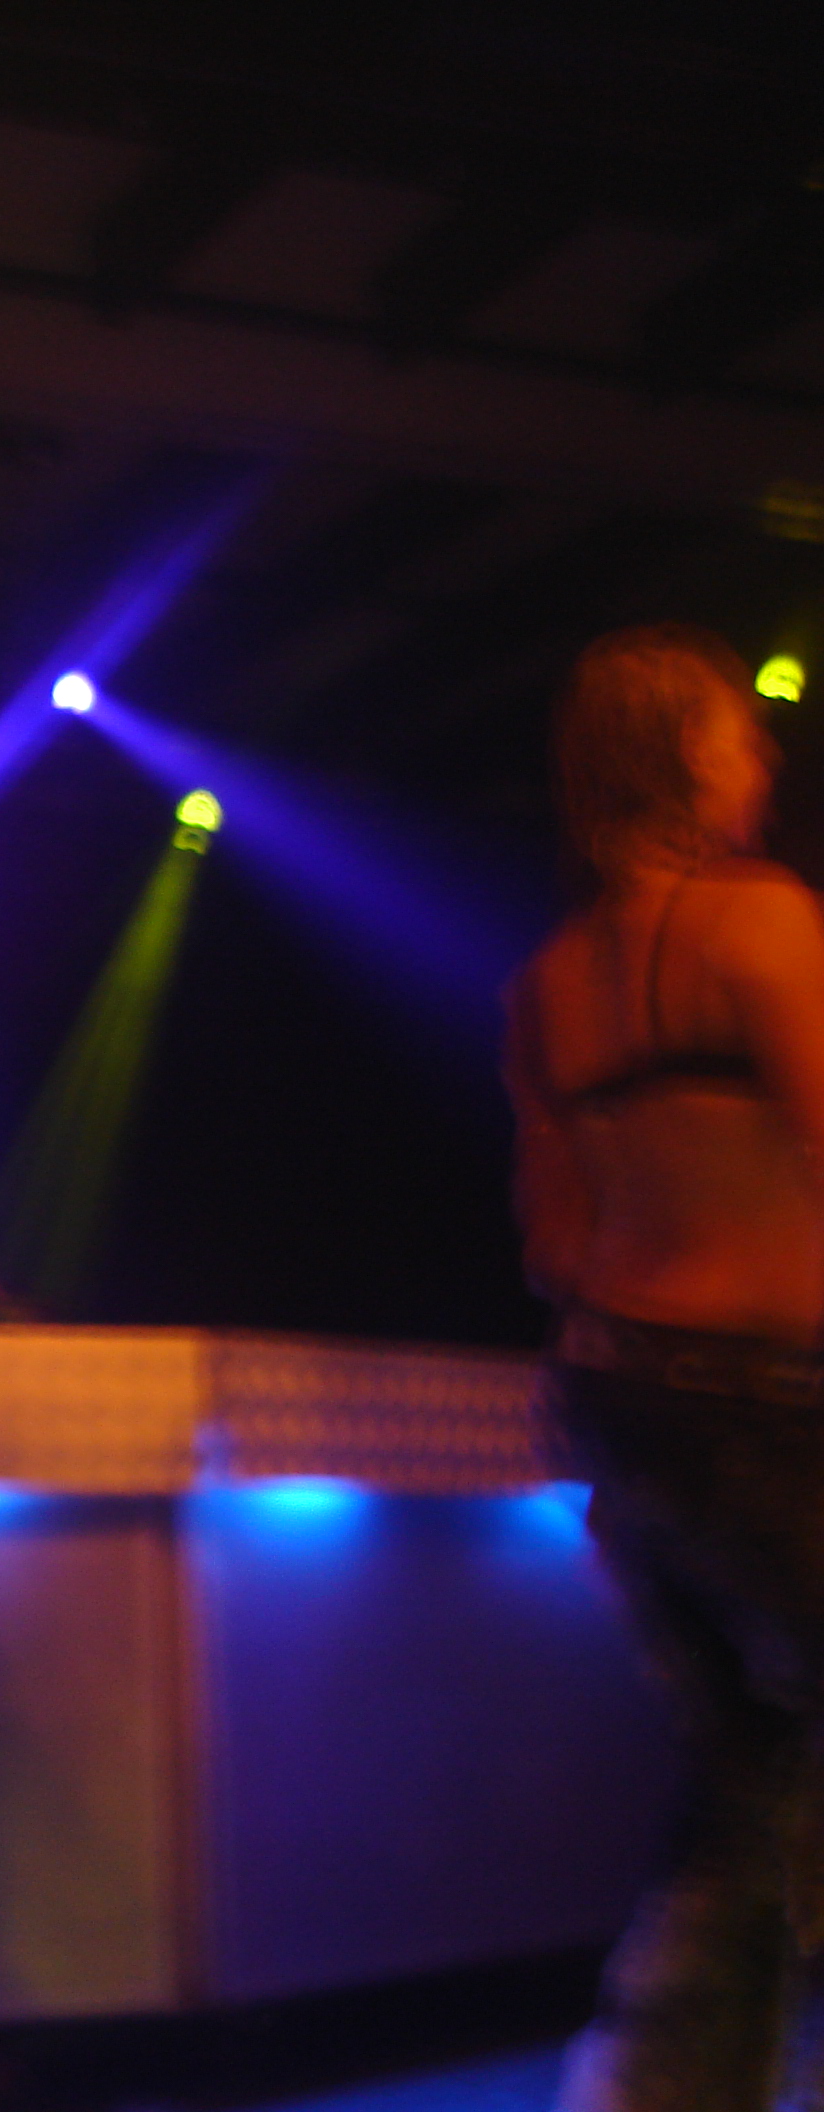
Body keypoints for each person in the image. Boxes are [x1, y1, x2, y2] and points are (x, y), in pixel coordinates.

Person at [505, 623, 824, 2111]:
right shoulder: (760, 921)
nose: (763, 754)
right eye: (738, 731)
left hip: (617, 1405)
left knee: (747, 1779)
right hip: (764, 1406)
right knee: (773, 1777)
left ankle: (657, 2087)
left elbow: (551, 1236)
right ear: (684, 754)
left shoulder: (547, 981)